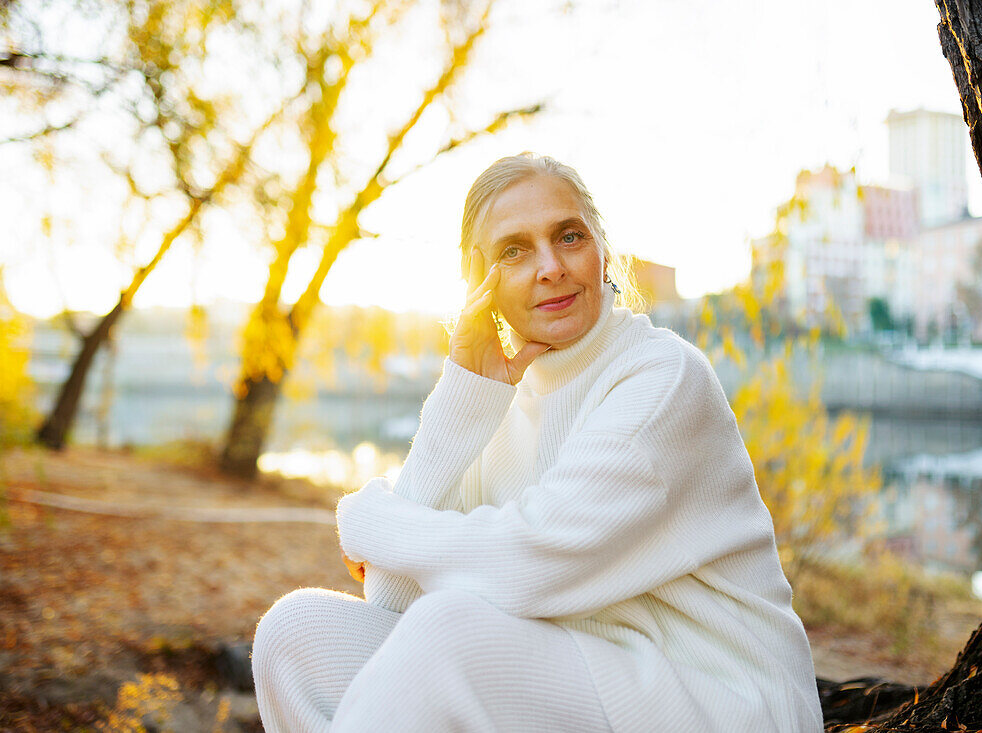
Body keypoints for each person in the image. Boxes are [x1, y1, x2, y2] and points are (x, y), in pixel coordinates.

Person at [251, 153, 823, 732]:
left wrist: (369, 521)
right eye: (513, 250)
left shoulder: (660, 376)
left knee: (448, 632)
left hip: (718, 695)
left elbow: (526, 566)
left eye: (568, 236)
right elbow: (392, 597)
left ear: (602, 250)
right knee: (295, 634)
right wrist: (463, 397)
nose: (550, 266)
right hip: (584, 676)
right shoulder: (497, 400)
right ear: (480, 280)